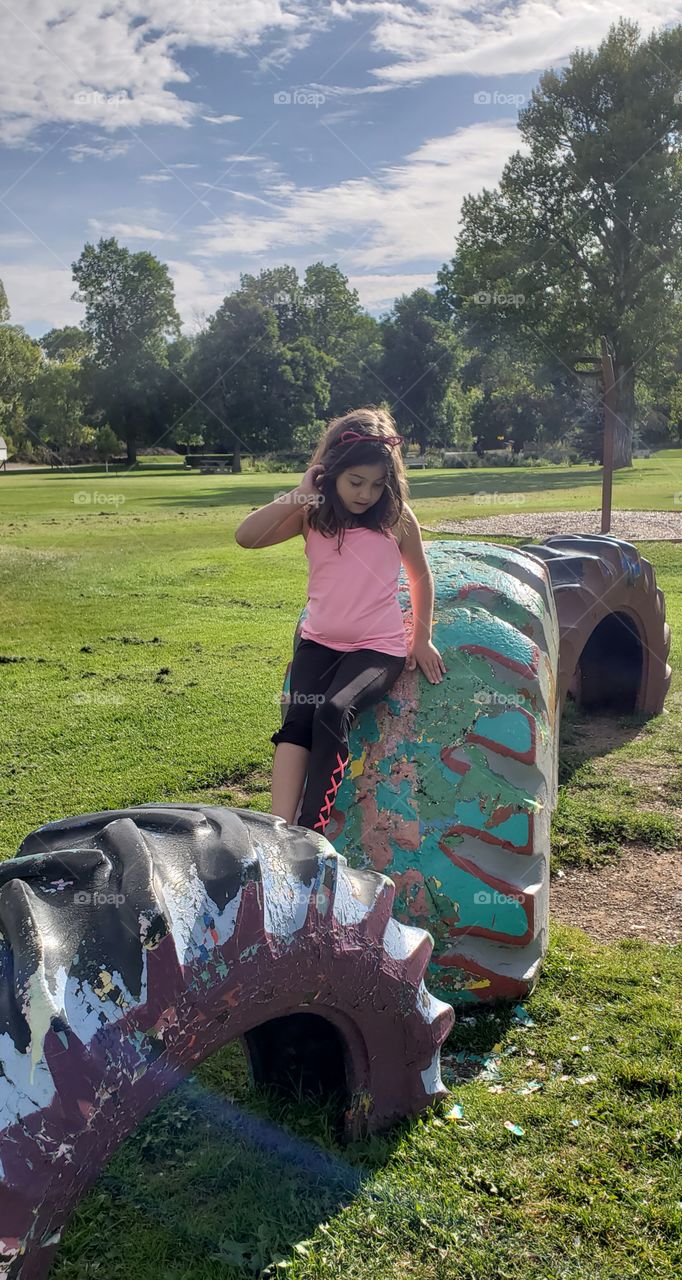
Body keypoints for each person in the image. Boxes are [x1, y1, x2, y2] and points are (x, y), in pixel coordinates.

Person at [234, 406, 446, 838]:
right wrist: (299, 493)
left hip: (377, 650)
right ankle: (279, 830)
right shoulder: (311, 513)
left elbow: (421, 576)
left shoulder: (396, 518)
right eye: (355, 481)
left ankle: (309, 835)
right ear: (329, 473)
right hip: (318, 643)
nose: (366, 493)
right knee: (298, 720)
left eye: (377, 484)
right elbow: (246, 537)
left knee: (332, 711)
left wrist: (421, 638)